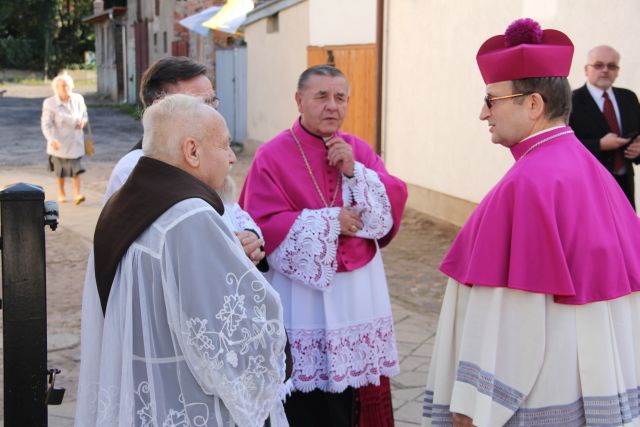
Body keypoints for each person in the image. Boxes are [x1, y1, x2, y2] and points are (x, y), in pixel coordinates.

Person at [422, 19, 640, 427]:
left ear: (534, 105)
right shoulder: (591, 169)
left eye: (492, 99)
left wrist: (473, 408)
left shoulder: (526, 184)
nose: (483, 112)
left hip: (539, 396)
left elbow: (510, 318)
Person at [74, 94, 288, 426]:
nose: (232, 157)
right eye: (224, 145)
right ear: (192, 151)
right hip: (185, 402)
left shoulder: (123, 201)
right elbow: (227, 335)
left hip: (144, 390)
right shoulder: (189, 215)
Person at [240, 64, 408, 426]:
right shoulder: (272, 155)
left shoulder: (359, 149)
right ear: (299, 100)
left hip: (358, 292)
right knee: (308, 394)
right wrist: (330, 222)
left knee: (356, 388)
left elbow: (389, 208)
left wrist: (354, 171)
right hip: (302, 295)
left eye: (340, 97)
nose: (332, 105)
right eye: (321, 97)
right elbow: (260, 225)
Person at [103, 56, 267, 269]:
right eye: (200, 104)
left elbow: (231, 210)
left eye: (213, 103)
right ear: (161, 108)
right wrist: (228, 251)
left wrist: (250, 236)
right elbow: (158, 252)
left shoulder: (204, 154)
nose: (212, 113)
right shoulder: (134, 171)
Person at [569, 45, 640, 209]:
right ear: (587, 69)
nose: (605, 70)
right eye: (599, 65)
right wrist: (599, 144)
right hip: (590, 184)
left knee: (626, 232)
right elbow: (563, 145)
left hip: (625, 183)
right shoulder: (571, 101)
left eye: (611, 66)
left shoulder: (628, 98)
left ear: (618, 71)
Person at [41, 72, 88, 205]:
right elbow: (46, 124)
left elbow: (84, 114)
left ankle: (77, 194)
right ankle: (61, 193)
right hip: (58, 143)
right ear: (56, 88)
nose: (65, 88)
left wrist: (83, 122)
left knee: (76, 169)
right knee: (60, 171)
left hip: (75, 141)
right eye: (62, 86)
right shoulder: (50, 103)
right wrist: (51, 139)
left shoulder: (78, 98)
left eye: (67, 85)